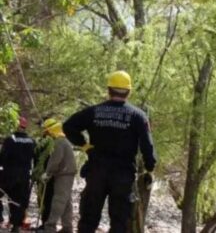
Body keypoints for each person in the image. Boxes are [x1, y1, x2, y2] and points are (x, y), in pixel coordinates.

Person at [63, 70, 157, 233]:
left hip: (96, 171)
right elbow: (147, 146)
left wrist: (85, 146)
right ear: (129, 92)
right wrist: (150, 168)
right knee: (119, 221)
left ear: (108, 90)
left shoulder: (94, 111)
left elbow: (68, 126)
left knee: (88, 218)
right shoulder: (138, 116)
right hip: (123, 175)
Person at [41, 118, 77, 233]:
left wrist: (47, 173)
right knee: (66, 202)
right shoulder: (63, 141)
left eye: (47, 131)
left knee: (59, 200)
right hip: (67, 174)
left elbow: (55, 160)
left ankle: (50, 227)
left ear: (51, 131)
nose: (46, 134)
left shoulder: (59, 142)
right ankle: (67, 227)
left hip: (63, 175)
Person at [0, 116, 35, 233]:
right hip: (25, 175)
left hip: (9, 173)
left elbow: (3, 156)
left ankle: (0, 219)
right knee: (19, 200)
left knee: (4, 195)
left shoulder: (10, 139)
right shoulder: (32, 141)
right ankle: (16, 225)